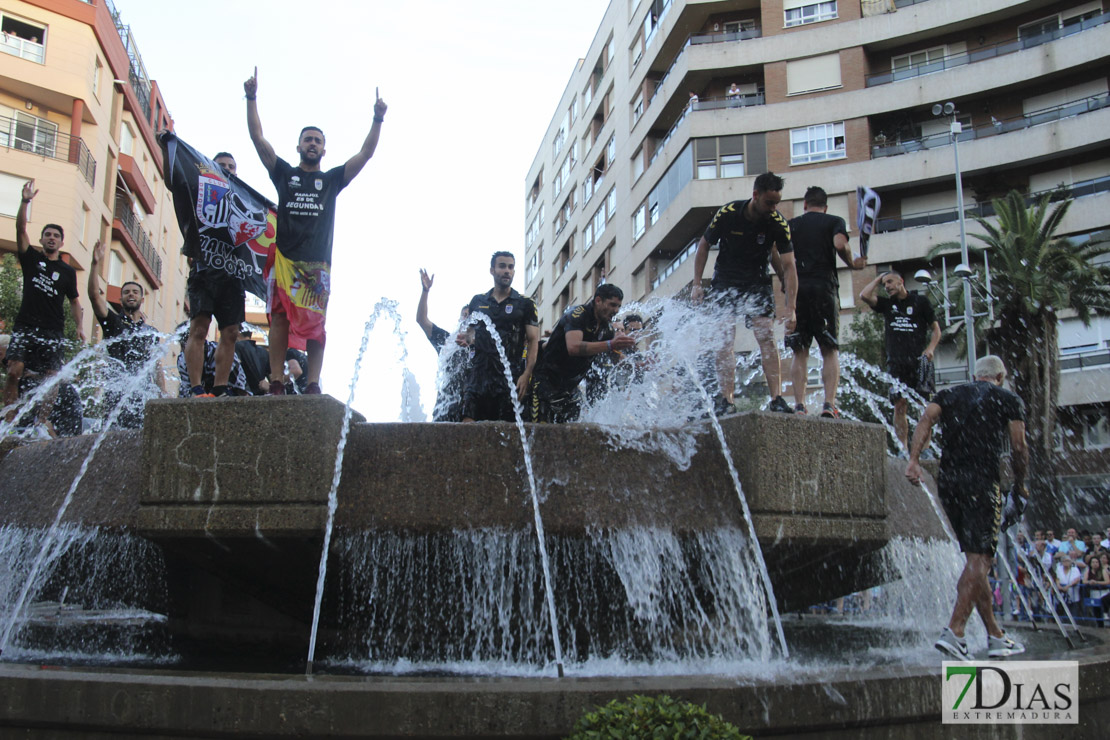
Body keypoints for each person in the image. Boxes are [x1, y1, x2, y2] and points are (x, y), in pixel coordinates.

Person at [245, 67, 387, 396]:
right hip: (285, 260)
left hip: (317, 265)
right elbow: (258, 139)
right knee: (278, 319)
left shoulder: (332, 180)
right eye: (307, 139)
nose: (312, 144)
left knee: (316, 326)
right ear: (298, 147)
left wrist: (377, 119)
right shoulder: (283, 174)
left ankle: (312, 382)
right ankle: (277, 381)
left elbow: (365, 154)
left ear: (325, 150)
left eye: (318, 141)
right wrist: (252, 98)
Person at [905, 355, 1028, 660]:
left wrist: (914, 461)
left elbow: (925, 421)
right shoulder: (1008, 399)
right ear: (1000, 376)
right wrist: (1021, 483)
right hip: (982, 484)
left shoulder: (948, 395)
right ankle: (955, 631)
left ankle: (995, 636)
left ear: (976, 375)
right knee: (981, 560)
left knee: (975, 559)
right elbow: (1018, 446)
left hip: (949, 485)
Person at [691, 172, 797, 416]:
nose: (773, 208)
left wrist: (790, 303)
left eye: (776, 203)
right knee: (725, 340)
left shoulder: (777, 223)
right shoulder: (728, 213)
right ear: (755, 195)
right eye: (769, 202)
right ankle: (726, 400)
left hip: (756, 283)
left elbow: (789, 264)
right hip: (726, 281)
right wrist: (697, 283)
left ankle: (777, 398)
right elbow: (704, 245)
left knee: (766, 336)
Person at [4, 181, 85, 423]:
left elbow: (74, 301)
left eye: (56, 236)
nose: (51, 238)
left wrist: (79, 327)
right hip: (25, 325)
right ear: (41, 239)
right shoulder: (31, 259)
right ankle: (9, 417)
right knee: (14, 370)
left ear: (61, 243)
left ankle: (42, 422)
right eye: (47, 235)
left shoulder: (67, 272)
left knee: (52, 377)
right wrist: (25, 202)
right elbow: (19, 230)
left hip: (52, 330)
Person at [786, 186, 866, 417]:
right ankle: (829, 404)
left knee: (799, 350)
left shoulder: (792, 225)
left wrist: (785, 281)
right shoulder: (834, 220)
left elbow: (778, 253)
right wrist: (852, 263)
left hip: (797, 290)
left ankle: (799, 405)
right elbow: (840, 244)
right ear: (825, 206)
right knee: (829, 349)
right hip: (824, 288)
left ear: (805, 204)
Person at [182, 152, 244, 399]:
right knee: (199, 328)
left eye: (231, 166)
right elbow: (175, 180)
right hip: (203, 271)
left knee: (230, 332)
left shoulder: (243, 199)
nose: (227, 169)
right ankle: (196, 388)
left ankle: (220, 388)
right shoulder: (197, 192)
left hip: (232, 273)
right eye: (222, 165)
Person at [530, 284, 636, 423]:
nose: (615, 310)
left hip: (570, 388)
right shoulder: (577, 315)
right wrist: (610, 344)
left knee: (572, 432)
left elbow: (616, 358)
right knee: (539, 430)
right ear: (598, 300)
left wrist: (638, 364)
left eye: (618, 306)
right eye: (612, 305)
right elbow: (573, 347)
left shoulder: (607, 330)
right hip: (546, 380)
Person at [860, 270, 940, 451]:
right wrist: (878, 278)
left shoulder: (921, 302)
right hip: (896, 363)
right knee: (899, 405)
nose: (886, 286)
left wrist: (930, 348)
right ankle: (903, 448)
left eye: (890, 282)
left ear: (901, 281)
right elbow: (864, 295)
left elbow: (936, 330)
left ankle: (924, 450)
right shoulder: (888, 304)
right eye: (884, 284)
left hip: (919, 362)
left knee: (924, 406)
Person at [87, 239, 164, 427]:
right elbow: (94, 297)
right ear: (120, 299)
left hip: (143, 394)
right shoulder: (114, 322)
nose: (131, 294)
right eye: (127, 292)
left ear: (141, 298)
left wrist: (163, 395)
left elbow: (157, 366)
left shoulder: (150, 332)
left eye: (135, 292)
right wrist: (95, 265)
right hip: (117, 394)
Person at [461, 251, 539, 422]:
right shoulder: (478, 301)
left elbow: (534, 341)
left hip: (509, 378)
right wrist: (465, 339)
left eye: (511, 267)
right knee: (467, 428)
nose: (507, 271)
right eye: (502, 266)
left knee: (505, 434)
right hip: (479, 376)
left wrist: (527, 374)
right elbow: (471, 334)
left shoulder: (525, 303)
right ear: (492, 270)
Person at [415, 269, 469, 422]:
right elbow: (421, 319)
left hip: (470, 409)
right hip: (445, 405)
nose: (466, 318)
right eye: (464, 315)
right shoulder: (448, 341)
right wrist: (425, 291)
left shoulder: (481, 346)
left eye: (470, 315)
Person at [175, 322, 248, 397]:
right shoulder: (182, 359)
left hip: (230, 388)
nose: (187, 349)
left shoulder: (219, 352)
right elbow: (186, 389)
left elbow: (238, 383)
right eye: (183, 345)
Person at [234, 324, 271, 396]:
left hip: (243, 394)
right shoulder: (264, 352)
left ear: (237, 333)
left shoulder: (236, 347)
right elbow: (273, 380)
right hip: (260, 396)